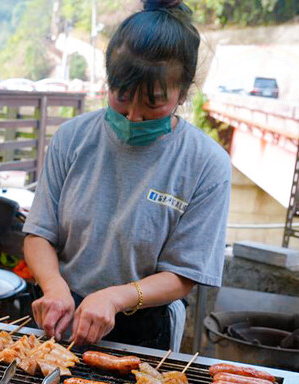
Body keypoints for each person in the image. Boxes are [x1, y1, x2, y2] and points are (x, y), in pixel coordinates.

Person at [23, 0, 231, 349]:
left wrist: (116, 298)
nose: (133, 117)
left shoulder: (206, 163)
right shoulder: (72, 138)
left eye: (153, 104)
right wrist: (54, 286)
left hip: (144, 326)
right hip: (65, 314)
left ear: (182, 94)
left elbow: (183, 275)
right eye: (122, 98)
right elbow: (39, 233)